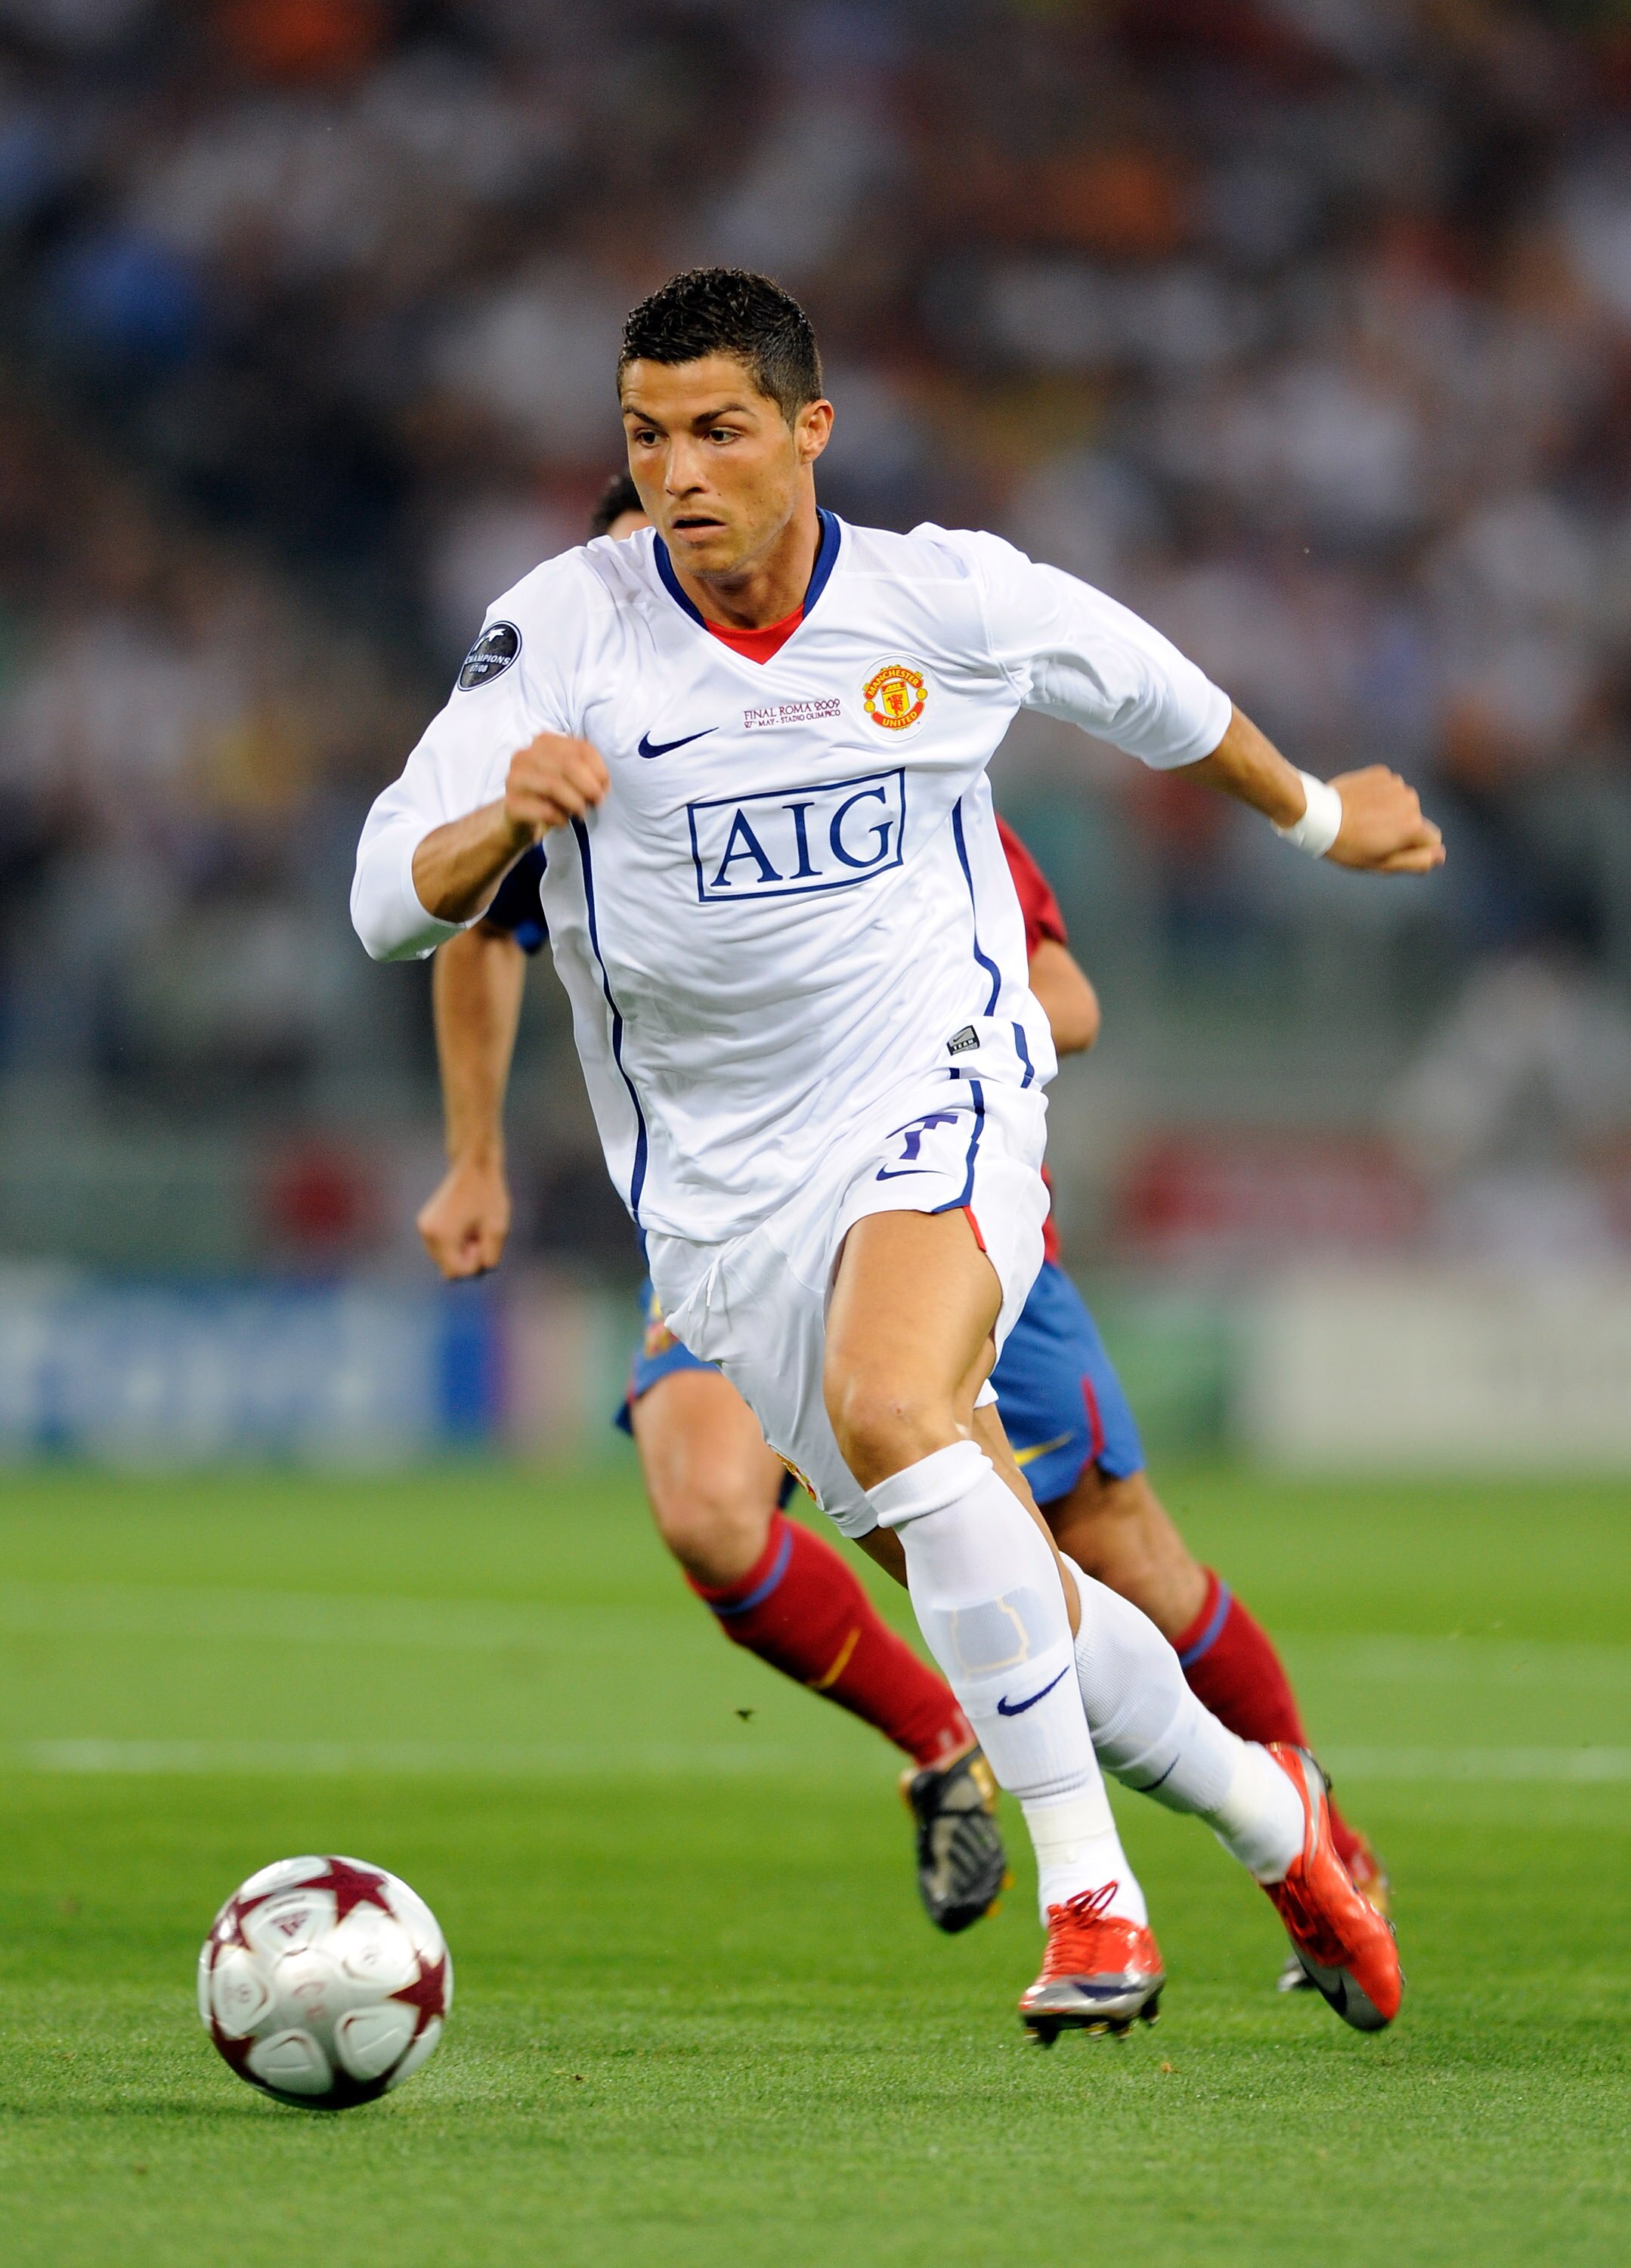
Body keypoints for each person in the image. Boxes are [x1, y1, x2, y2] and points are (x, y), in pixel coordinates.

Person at [356, 268, 1437, 2041]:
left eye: (715, 431)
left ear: (806, 431)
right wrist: (501, 814)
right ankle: (1276, 1820)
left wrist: (1319, 818)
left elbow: (1145, 688)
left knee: (905, 1417)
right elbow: (393, 907)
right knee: (1013, 1582)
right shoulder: (559, 632)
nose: (678, 473)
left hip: (944, 1093)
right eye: (645, 437)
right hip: (722, 1205)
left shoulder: (938, 596)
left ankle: (1095, 1907)